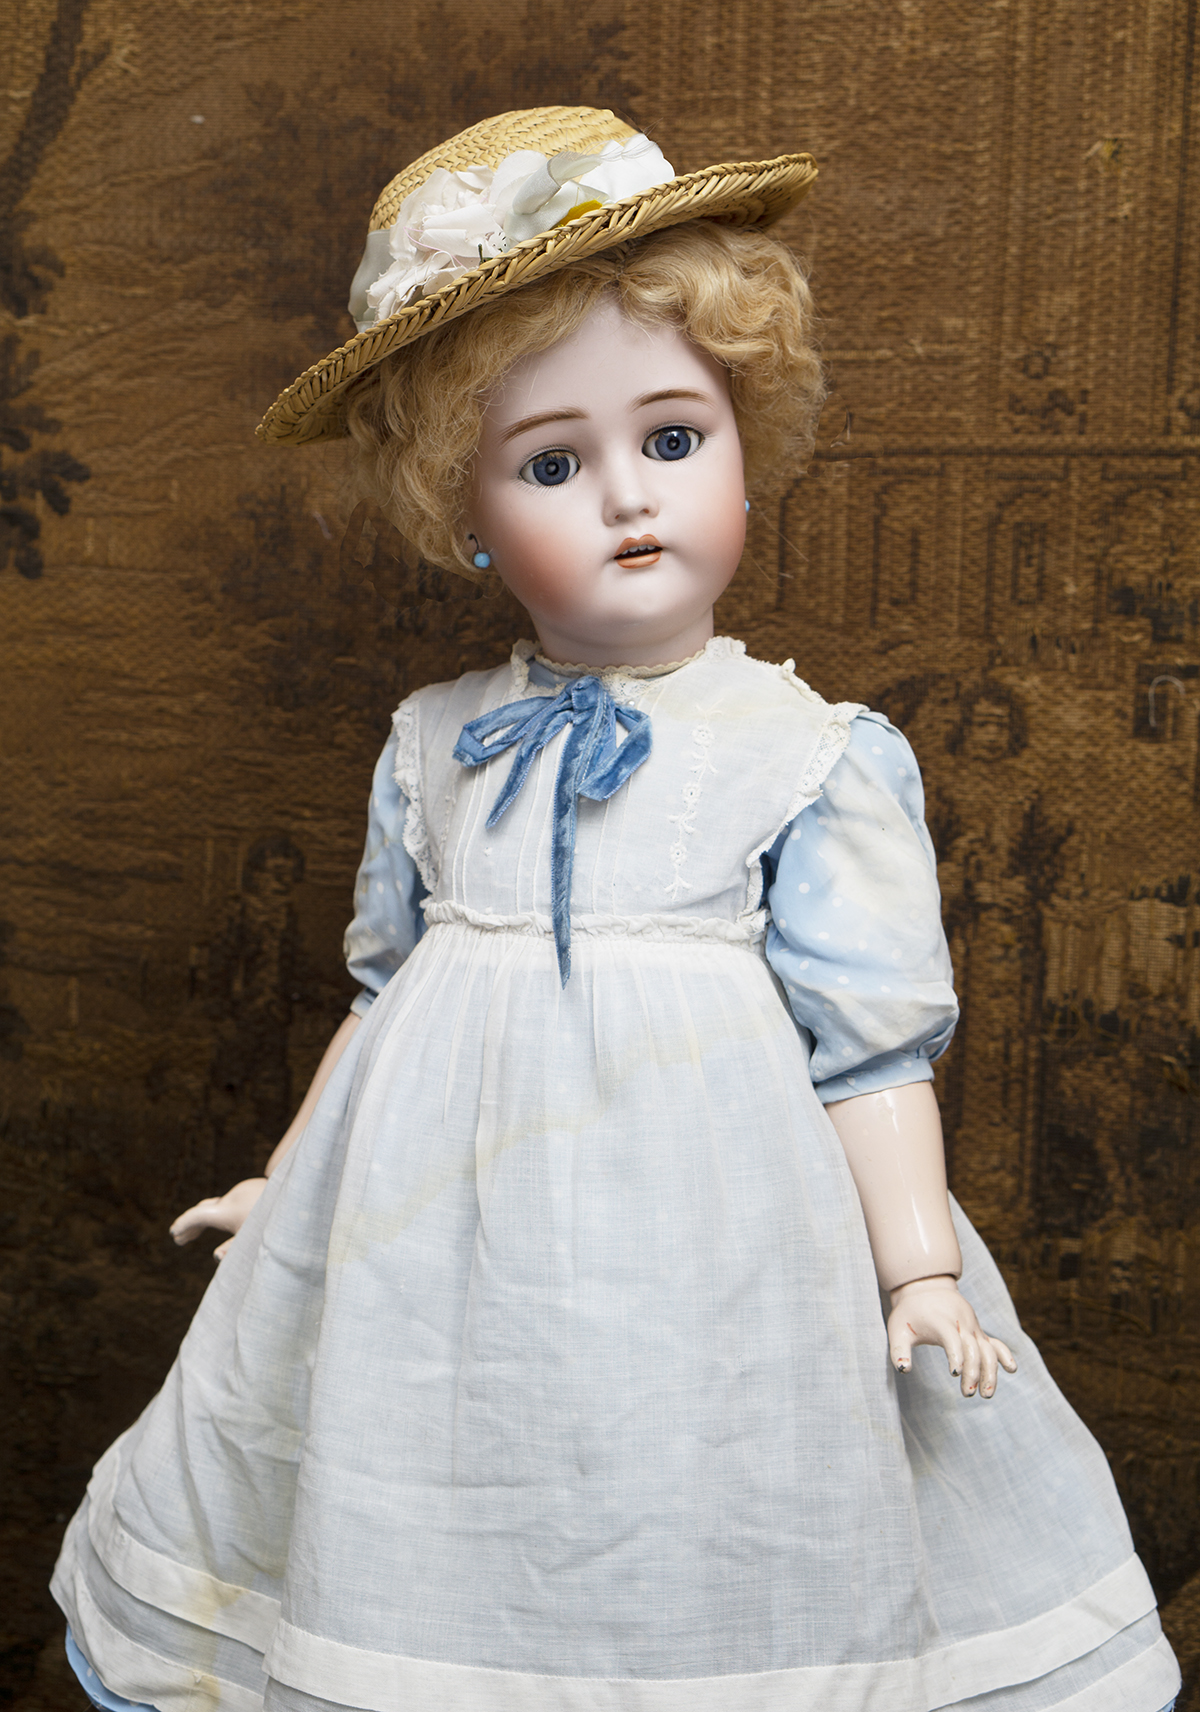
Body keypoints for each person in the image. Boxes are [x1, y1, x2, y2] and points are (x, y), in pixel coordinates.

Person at [52, 105, 1179, 1712]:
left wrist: (919, 1267)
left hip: (726, 1240)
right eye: (550, 464)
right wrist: (285, 1186)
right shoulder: (431, 744)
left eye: (673, 438)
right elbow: (381, 994)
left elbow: (869, 1050)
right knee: (446, 1487)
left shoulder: (805, 751)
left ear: (748, 439)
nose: (626, 498)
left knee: (700, 1490)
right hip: (440, 1244)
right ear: (463, 510)